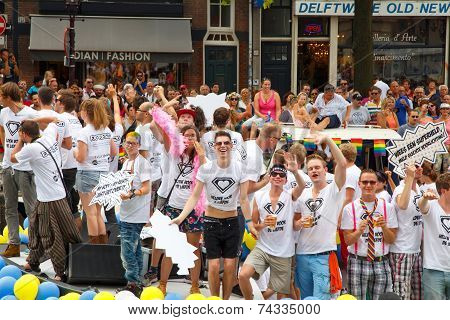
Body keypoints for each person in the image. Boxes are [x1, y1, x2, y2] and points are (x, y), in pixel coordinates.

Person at [172, 131, 253, 299]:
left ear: (231, 146)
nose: (223, 146)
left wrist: (250, 222)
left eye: (226, 143)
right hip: (211, 222)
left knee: (230, 266)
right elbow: (195, 196)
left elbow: (244, 200)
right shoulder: (206, 169)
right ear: (214, 147)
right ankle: (215, 300)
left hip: (232, 221)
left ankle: (225, 301)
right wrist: (180, 218)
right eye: (219, 143)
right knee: (214, 266)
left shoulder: (240, 168)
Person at [11, 120, 82, 280]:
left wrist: (20, 140)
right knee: (35, 227)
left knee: (49, 234)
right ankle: (33, 261)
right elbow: (55, 121)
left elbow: (12, 158)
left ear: (24, 134)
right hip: (56, 194)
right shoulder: (49, 137)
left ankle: (59, 271)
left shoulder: (31, 148)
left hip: (50, 199)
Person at [239, 159, 305, 300]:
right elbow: (254, 226)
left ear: (285, 180)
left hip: (284, 252)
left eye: (281, 175)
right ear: (269, 177)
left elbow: (302, 185)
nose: (277, 177)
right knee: (243, 275)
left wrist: (295, 171)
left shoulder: (290, 196)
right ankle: (250, 306)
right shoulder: (259, 196)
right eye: (274, 174)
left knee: (281, 293)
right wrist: (263, 224)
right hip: (263, 248)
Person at [295, 132, 347, 300]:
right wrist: (299, 223)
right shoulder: (303, 193)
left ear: (325, 170)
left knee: (321, 304)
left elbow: (343, 163)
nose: (314, 171)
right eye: (310, 169)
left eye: (317, 167)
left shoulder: (334, 189)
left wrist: (328, 139)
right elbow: (294, 224)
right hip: (302, 254)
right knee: (306, 302)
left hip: (323, 256)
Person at [155, 124, 206, 295]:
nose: (189, 138)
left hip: (194, 210)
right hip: (174, 207)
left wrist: (202, 155)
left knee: (193, 249)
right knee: (170, 248)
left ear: (198, 139)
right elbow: (164, 131)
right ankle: (162, 284)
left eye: (193, 135)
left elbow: (208, 173)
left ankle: (195, 286)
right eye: (186, 135)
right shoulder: (174, 155)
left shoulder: (202, 158)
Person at [341, 169, 398, 300]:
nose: (368, 185)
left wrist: (384, 227)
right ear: (359, 184)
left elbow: (391, 239)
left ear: (377, 184)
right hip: (357, 260)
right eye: (365, 182)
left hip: (381, 261)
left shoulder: (387, 207)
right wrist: (359, 231)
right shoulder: (349, 208)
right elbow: (348, 241)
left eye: (372, 182)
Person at [0, 83, 39, 257]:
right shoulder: (3, 112)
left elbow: (40, 134)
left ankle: (35, 245)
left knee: (32, 208)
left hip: (25, 168)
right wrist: (6, 147)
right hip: (8, 165)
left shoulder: (30, 113)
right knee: (10, 206)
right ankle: (14, 243)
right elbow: (2, 129)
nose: (0, 98)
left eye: (2, 95)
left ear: (8, 97)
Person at [74, 98, 118, 244]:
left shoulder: (84, 132)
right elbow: (113, 152)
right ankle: (102, 246)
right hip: (104, 173)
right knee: (98, 213)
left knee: (91, 213)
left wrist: (73, 152)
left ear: (85, 112)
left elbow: (80, 157)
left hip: (87, 173)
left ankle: (95, 248)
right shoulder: (106, 130)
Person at [117, 132, 152, 297]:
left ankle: (132, 282)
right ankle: (136, 282)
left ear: (139, 145)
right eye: (127, 142)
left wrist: (131, 194)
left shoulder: (142, 163)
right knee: (135, 249)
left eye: (133, 143)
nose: (129, 145)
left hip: (135, 215)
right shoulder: (126, 162)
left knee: (127, 251)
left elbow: (147, 188)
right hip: (127, 213)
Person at [390, 163, 424, 300]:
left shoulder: (420, 190)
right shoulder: (400, 189)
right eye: (416, 166)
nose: (419, 168)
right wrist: (409, 177)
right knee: (402, 295)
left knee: (418, 294)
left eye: (421, 166)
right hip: (401, 250)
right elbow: (403, 205)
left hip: (416, 249)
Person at [417, 173, 450, 300]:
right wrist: (425, 198)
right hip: (434, 270)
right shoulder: (432, 206)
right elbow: (422, 206)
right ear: (444, 190)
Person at [55, 91, 83, 231]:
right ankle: (75, 239)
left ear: (62, 104)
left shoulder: (60, 118)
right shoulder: (75, 119)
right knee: (73, 206)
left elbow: (64, 142)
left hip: (65, 166)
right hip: (76, 165)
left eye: (57, 100)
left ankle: (68, 240)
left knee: (64, 206)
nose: (55, 102)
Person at [434, 103, 450, 173]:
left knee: (446, 167)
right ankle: (435, 183)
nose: (445, 110)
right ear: (440, 110)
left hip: (448, 146)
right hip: (438, 146)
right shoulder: (436, 121)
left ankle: (446, 183)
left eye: (447, 109)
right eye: (443, 108)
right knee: (436, 166)